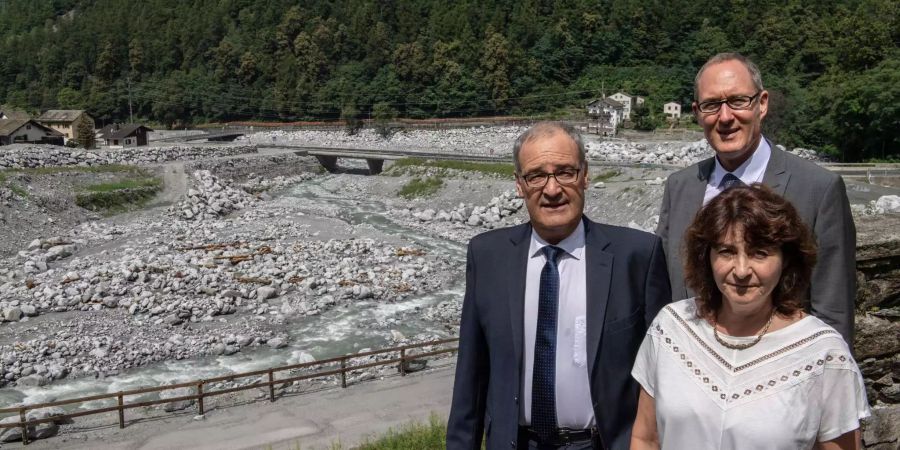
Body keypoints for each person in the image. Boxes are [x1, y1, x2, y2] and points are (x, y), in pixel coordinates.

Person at [447, 122, 671, 450]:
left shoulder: (637, 256)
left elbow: (663, 374)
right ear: (519, 185)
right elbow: (471, 376)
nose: (552, 190)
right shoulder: (487, 256)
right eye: (536, 176)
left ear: (585, 176)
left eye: (565, 172)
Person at [631, 184, 869, 450]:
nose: (742, 270)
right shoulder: (671, 327)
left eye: (760, 253)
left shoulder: (823, 353)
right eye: (727, 252)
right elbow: (645, 439)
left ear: (786, 260)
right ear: (706, 257)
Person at [656, 52, 856, 345]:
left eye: (738, 101)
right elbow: (664, 289)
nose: (725, 117)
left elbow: (833, 312)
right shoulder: (680, 186)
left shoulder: (819, 189)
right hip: (693, 373)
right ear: (698, 112)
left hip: (780, 375)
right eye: (712, 105)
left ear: (762, 103)